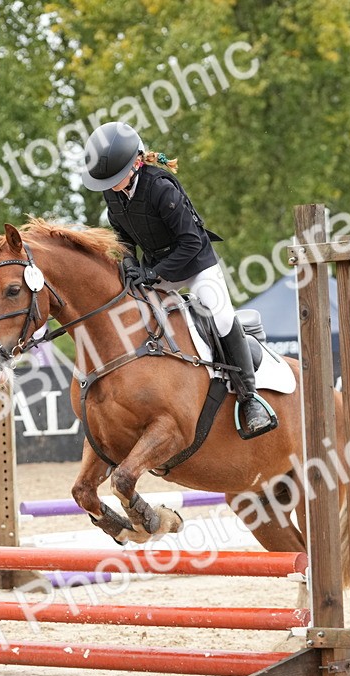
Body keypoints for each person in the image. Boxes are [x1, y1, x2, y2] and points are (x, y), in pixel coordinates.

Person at [80, 120, 277, 438]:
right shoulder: (111, 194)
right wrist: (130, 262)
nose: (111, 186)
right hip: (155, 268)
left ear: (137, 164)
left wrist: (154, 273)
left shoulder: (161, 188)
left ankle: (249, 398)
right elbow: (122, 236)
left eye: (116, 178)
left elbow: (191, 243)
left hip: (196, 264)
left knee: (221, 316)